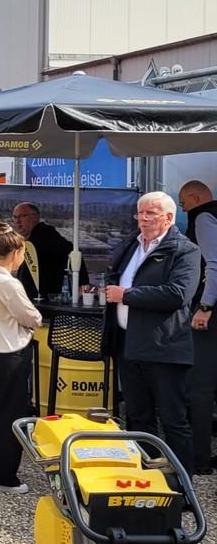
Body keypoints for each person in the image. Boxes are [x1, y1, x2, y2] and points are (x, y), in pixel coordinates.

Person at [105, 191, 200, 474]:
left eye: (151, 213)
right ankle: (142, 481)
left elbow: (177, 294)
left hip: (163, 347)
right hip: (128, 344)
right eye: (140, 213)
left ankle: (182, 489)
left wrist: (127, 294)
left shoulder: (185, 250)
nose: (143, 219)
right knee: (137, 417)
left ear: (169, 218)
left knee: (173, 420)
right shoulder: (130, 245)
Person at [0, 223, 42, 494]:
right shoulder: (9, 283)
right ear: (15, 251)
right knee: (10, 416)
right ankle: (4, 475)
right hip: (11, 354)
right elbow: (32, 317)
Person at [178, 179, 217, 474]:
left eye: (182, 203)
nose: (182, 209)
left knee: (199, 386)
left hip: (211, 313)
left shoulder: (204, 216)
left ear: (195, 197)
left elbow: (213, 264)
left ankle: (199, 459)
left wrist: (205, 306)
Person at [11, 202, 88, 301]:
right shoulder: (27, 240)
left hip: (45, 302)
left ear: (35, 217)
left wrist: (82, 283)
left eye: (22, 216)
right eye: (15, 217)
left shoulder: (46, 235)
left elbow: (73, 254)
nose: (17, 221)